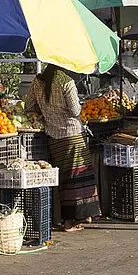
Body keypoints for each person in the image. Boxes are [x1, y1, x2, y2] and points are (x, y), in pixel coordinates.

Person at [26, 64, 100, 232]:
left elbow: (29, 106)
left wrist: (46, 113)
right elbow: (75, 110)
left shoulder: (38, 81)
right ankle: (71, 221)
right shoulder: (67, 82)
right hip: (72, 135)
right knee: (79, 177)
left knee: (66, 179)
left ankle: (78, 217)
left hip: (54, 136)